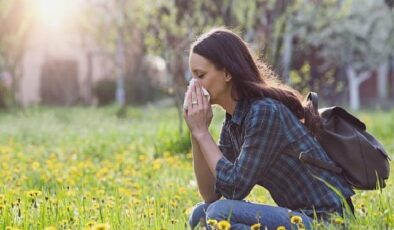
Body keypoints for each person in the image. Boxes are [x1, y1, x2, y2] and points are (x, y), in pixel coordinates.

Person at [183, 28, 355, 230]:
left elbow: (235, 187)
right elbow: (211, 194)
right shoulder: (233, 122)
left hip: (328, 221)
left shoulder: (264, 111)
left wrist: (203, 133)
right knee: (201, 214)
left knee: (218, 213)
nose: (193, 84)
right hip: (298, 217)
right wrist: (196, 133)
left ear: (227, 73)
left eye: (200, 75)